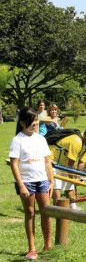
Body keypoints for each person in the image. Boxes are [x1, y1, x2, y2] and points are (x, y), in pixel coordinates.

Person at [9, 108, 54, 259]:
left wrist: (51, 181)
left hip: (42, 180)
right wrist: (21, 185)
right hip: (26, 181)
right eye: (32, 121)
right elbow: (14, 164)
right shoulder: (17, 140)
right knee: (30, 213)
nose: (35, 124)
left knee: (46, 211)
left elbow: (47, 161)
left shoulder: (41, 139)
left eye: (36, 121)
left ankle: (48, 245)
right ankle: (32, 248)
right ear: (22, 123)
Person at [50, 126, 86, 210]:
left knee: (70, 184)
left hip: (63, 163)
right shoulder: (76, 141)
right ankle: (58, 207)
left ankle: (73, 206)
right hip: (52, 161)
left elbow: (81, 162)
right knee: (57, 185)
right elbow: (71, 163)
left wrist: (77, 178)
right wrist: (73, 178)